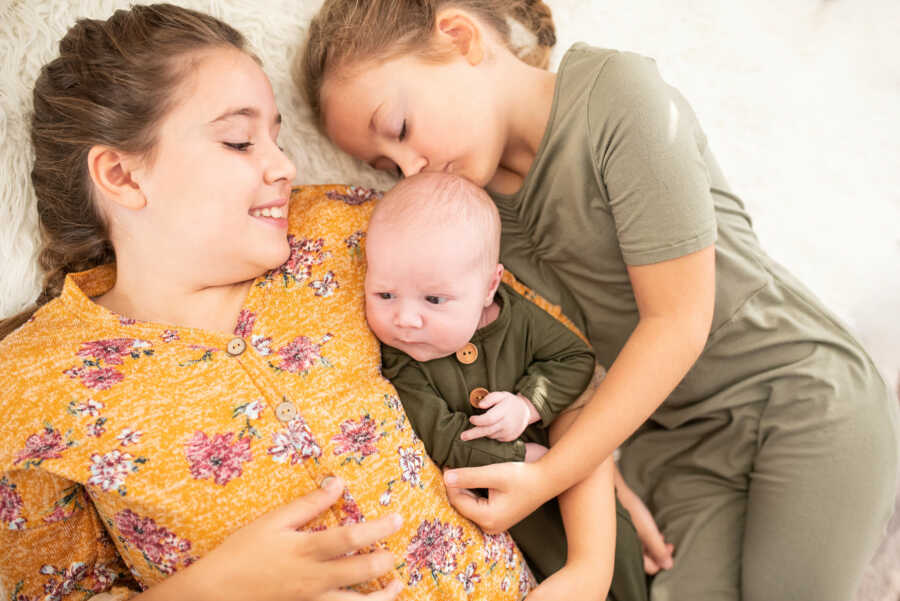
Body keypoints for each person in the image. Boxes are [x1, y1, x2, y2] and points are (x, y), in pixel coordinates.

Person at [299, 1, 900, 599]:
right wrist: (602, 468)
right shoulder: (467, 226)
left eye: (399, 129)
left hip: (800, 394)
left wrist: (558, 475)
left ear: (458, 37)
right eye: (385, 165)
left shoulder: (618, 95)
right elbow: (557, 364)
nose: (410, 168)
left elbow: (677, 322)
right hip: (670, 446)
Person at [0, 5, 538, 600]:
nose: (283, 166)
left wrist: (591, 556)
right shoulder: (29, 386)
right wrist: (220, 588)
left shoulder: (353, 230)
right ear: (123, 176)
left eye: (277, 137)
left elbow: (548, 350)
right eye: (238, 141)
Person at [366, 171, 648, 599]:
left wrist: (529, 405)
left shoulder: (518, 319)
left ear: (489, 287)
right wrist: (524, 456)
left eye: (434, 300)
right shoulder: (403, 359)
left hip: (586, 513)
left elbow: (576, 360)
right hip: (518, 528)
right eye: (384, 295)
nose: (405, 318)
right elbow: (444, 438)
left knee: (623, 576)